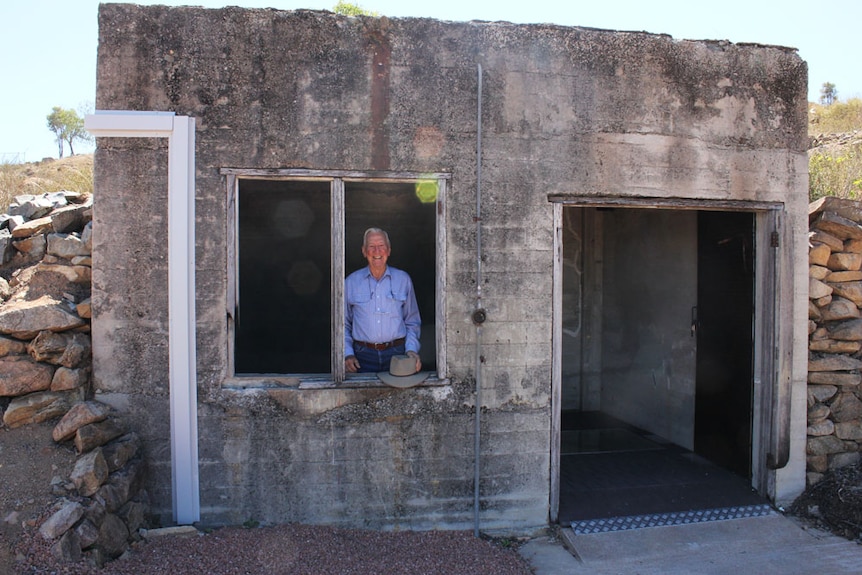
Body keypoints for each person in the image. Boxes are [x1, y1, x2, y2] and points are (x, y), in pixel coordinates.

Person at [344, 228, 422, 374]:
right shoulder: (350, 282)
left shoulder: (403, 279)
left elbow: (412, 321)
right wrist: (347, 354)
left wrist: (411, 350)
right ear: (364, 251)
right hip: (362, 357)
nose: (377, 251)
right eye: (371, 247)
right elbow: (342, 324)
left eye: (381, 246)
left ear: (389, 250)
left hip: (398, 355)